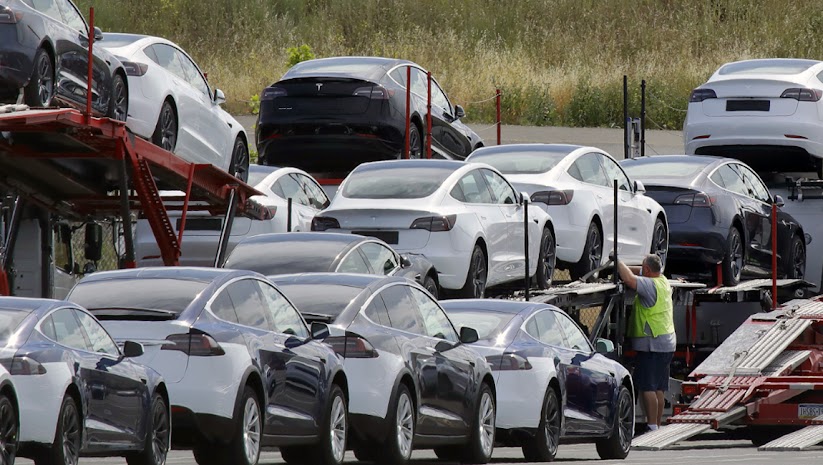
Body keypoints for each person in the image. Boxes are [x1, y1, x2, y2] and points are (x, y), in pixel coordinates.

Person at [615, 254, 675, 432]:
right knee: (659, 388)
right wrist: (623, 267)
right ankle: (656, 425)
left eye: (643, 268)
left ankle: (651, 426)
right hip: (666, 342)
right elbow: (636, 272)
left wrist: (617, 260)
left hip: (652, 343)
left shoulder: (649, 286)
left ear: (648, 270)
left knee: (647, 387)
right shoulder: (663, 281)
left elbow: (629, 279)